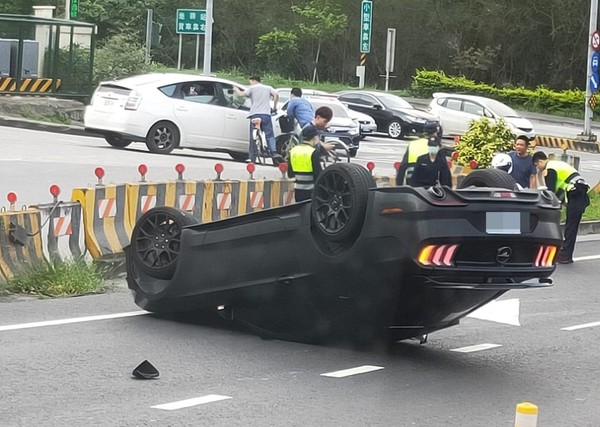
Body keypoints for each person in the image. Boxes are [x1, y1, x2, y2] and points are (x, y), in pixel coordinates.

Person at [533, 151, 590, 264]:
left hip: (576, 193)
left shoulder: (550, 169)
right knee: (571, 226)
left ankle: (566, 256)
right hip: (578, 193)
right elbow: (559, 190)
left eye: (536, 166)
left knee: (571, 227)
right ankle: (565, 253)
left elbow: (550, 192)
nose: (538, 169)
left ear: (540, 161)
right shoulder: (556, 164)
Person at [233, 76, 283, 165]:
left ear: (253, 80)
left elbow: (241, 94)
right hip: (266, 115)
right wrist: (274, 107)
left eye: (250, 82)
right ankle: (274, 153)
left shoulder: (252, 88)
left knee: (253, 137)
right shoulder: (268, 88)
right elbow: (276, 95)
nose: (250, 84)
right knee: (269, 135)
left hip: (255, 115)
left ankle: (253, 158)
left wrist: (236, 89)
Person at [288, 124, 324, 202]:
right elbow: (318, 173)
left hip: (298, 189)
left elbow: (290, 173)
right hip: (311, 190)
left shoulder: (293, 150)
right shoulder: (313, 152)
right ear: (314, 138)